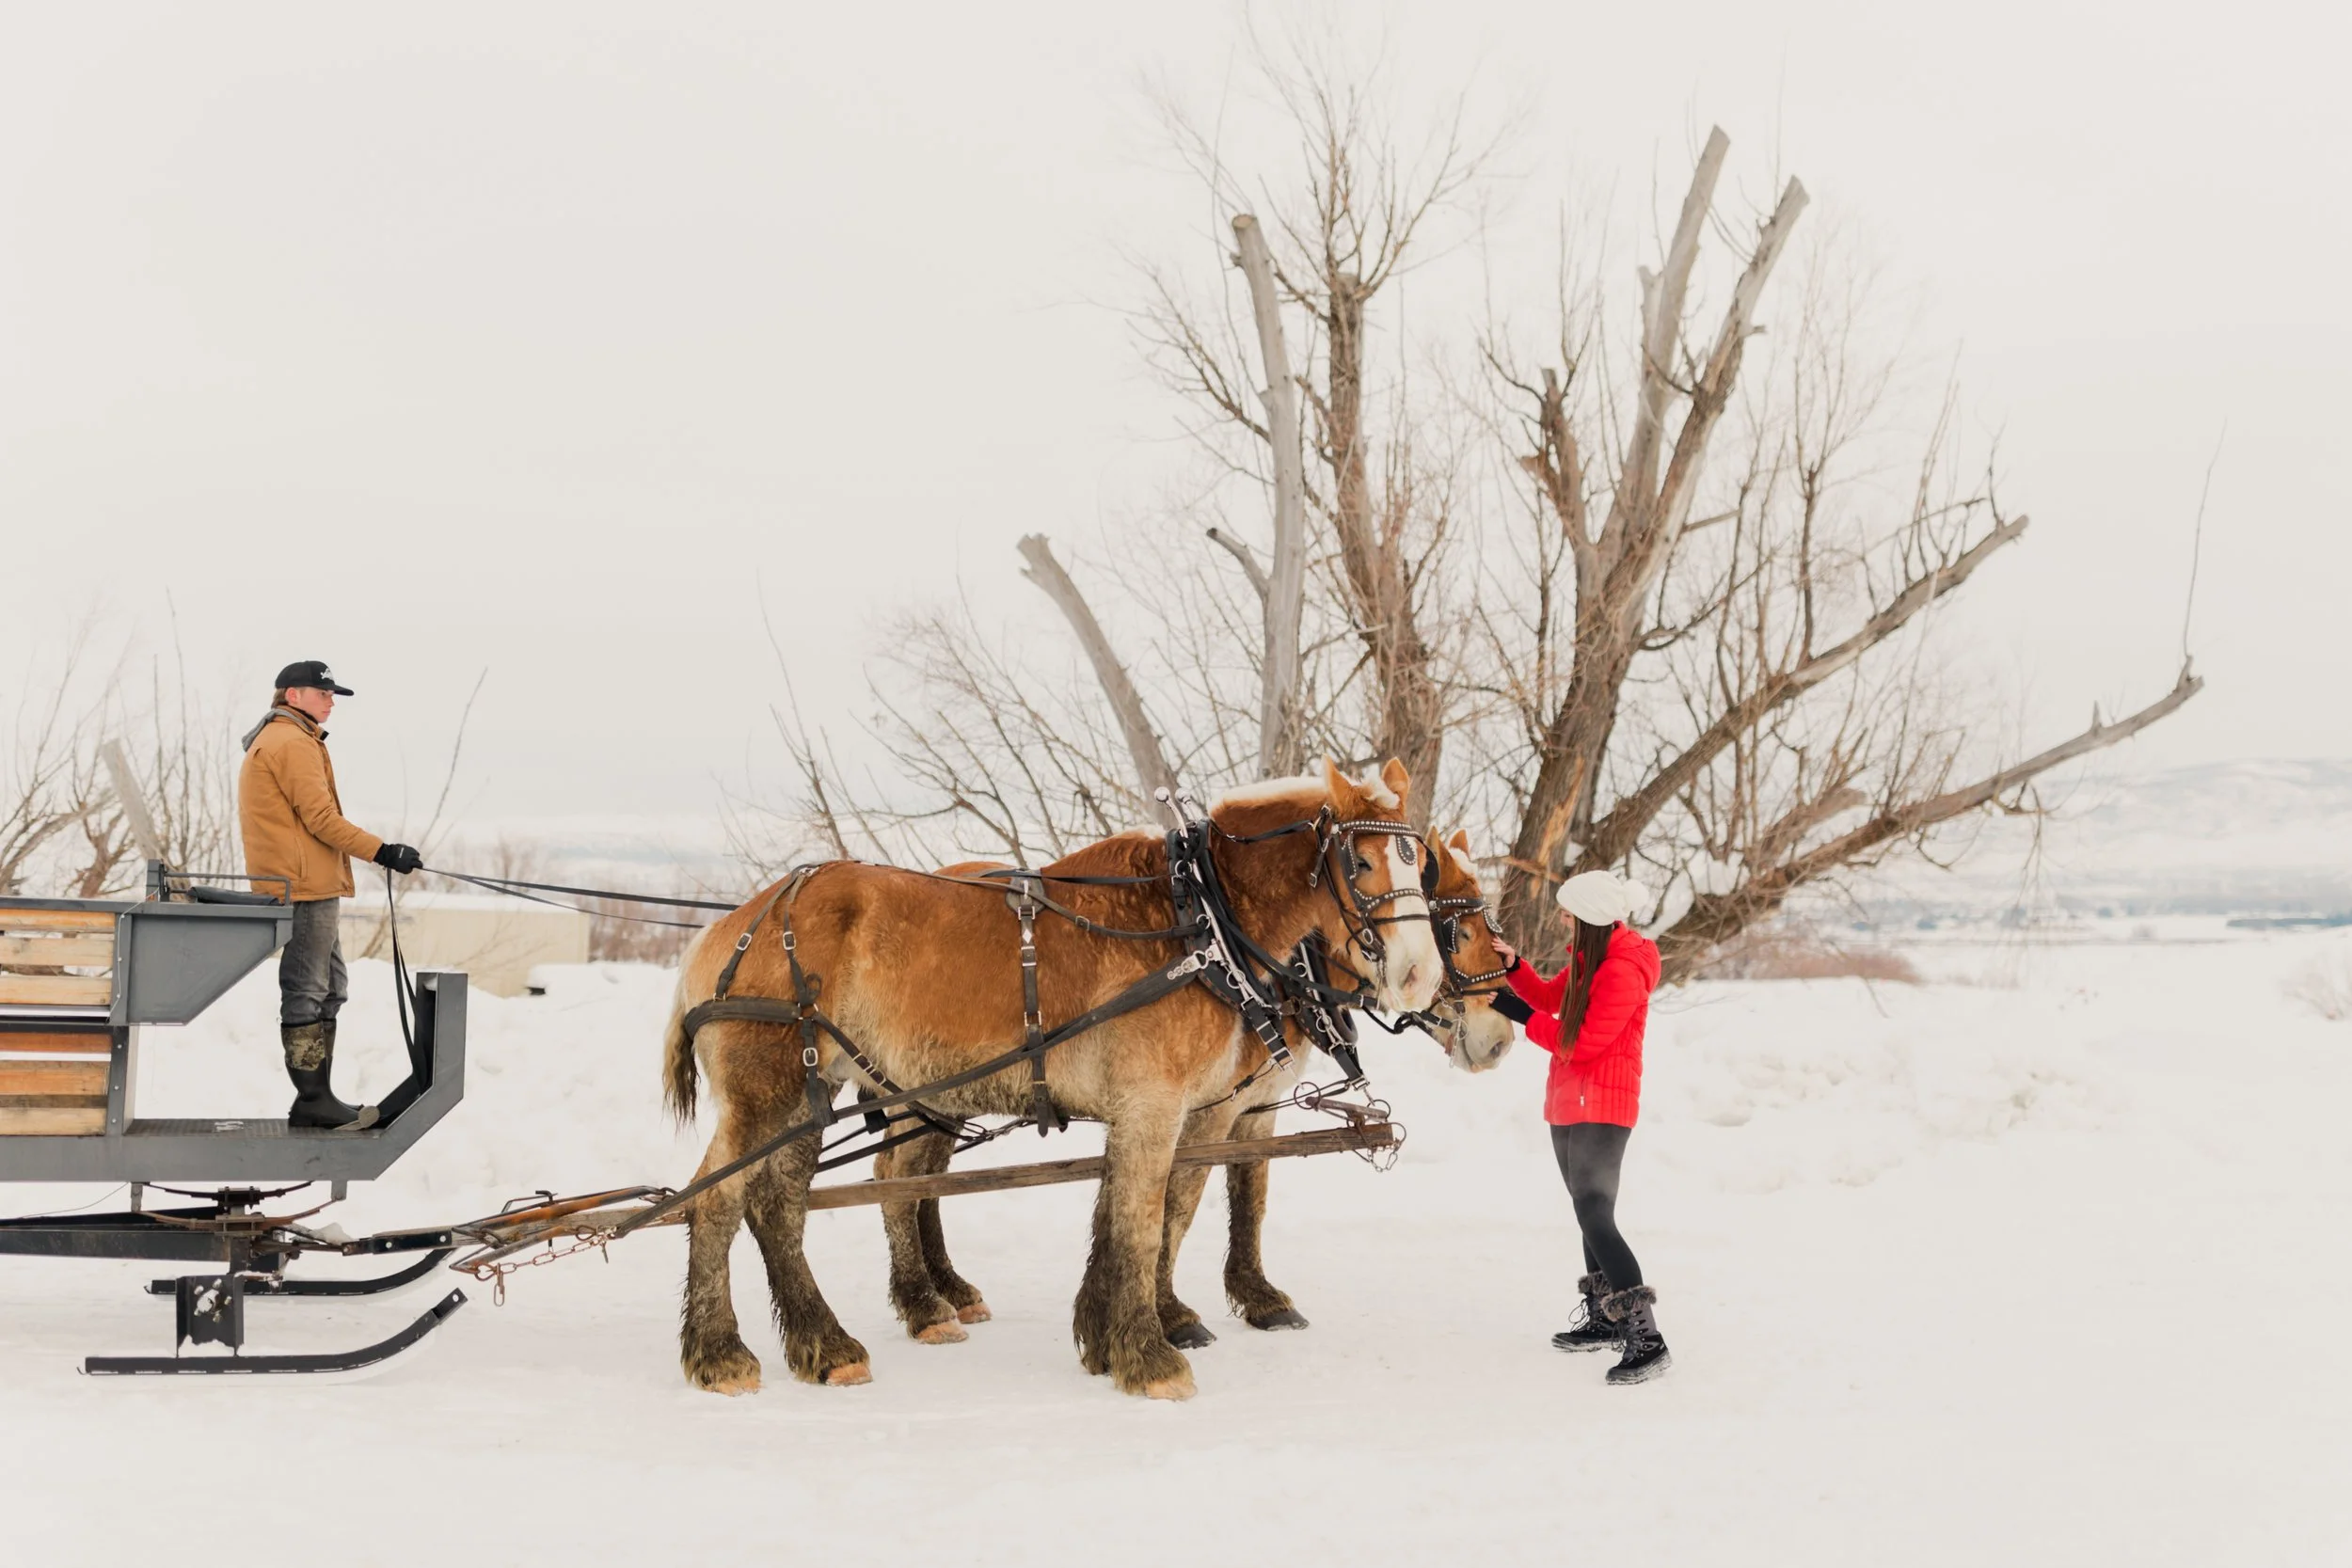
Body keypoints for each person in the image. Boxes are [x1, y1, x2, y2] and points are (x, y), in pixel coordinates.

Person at [1489, 869, 1670, 1385]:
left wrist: (1518, 1016)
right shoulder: (1591, 960)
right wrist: (1515, 970)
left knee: (1595, 1211)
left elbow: (1583, 1041)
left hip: (1604, 1105)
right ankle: (1605, 1319)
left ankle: (1646, 1339)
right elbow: (1550, 999)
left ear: (1588, 916)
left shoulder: (1622, 970)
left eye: (1568, 912)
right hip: (1572, 1100)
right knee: (1587, 1211)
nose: (1561, 918)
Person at [237, 661, 422, 1130]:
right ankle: (312, 1099)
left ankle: (319, 1095)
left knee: (330, 988)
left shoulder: (293, 739)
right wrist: (384, 851)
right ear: (293, 695)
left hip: (309, 883)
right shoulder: (291, 742)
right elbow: (321, 819)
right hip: (302, 887)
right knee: (307, 992)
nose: (331, 700)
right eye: (323, 692)